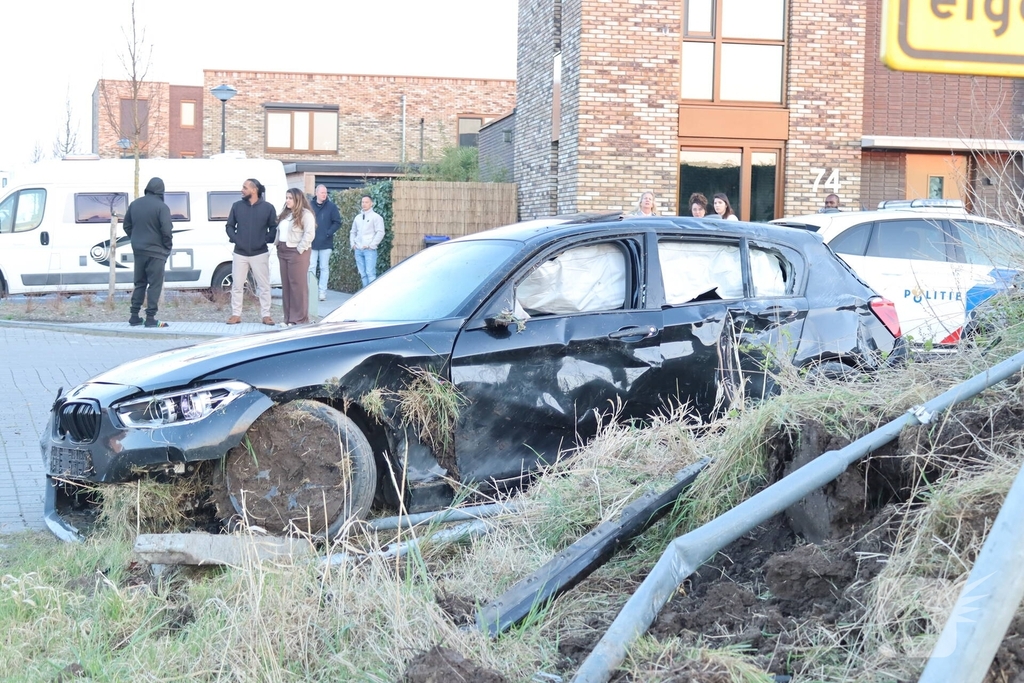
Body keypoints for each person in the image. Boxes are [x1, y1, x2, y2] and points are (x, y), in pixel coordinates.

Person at [225, 178, 278, 325]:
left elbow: (273, 228)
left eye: (245, 187)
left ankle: (266, 315)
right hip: (240, 253)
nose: (242, 190)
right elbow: (229, 226)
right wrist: (236, 239)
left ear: (254, 190)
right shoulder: (236, 206)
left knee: (264, 285)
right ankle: (236, 314)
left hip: (260, 252)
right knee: (237, 285)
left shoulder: (268, 208)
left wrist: (264, 240)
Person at [123, 177, 174, 328]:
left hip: (138, 250)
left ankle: (134, 316)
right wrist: (167, 247)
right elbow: (167, 230)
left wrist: (135, 239)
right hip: (156, 252)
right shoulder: (162, 207)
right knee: (154, 284)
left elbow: (127, 225)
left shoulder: (135, 204)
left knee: (139, 283)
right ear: (161, 191)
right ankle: (150, 318)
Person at [276, 188, 316, 326]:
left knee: (298, 285)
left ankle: (299, 319)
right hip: (282, 250)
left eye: (290, 198)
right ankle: (288, 318)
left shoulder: (306, 214)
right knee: (286, 285)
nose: (287, 200)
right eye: (286, 197)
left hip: (297, 251)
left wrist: (299, 249)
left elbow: (309, 234)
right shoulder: (286, 214)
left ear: (297, 199)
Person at [309, 184, 341, 301]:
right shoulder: (309, 206)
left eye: (325, 193)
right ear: (316, 193)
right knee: (311, 267)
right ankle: (312, 290)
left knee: (324, 267)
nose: (324, 195)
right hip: (311, 242)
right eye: (322, 192)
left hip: (326, 243)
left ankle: (322, 292)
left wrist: (329, 232)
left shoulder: (331, 207)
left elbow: (337, 222)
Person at [350, 194, 385, 288]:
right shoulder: (357, 217)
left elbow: (380, 232)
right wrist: (353, 244)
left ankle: (372, 296)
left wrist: (372, 245)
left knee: (370, 273)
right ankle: (365, 295)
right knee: (363, 274)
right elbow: (353, 231)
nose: (364, 204)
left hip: (369, 250)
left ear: (371, 203)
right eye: (363, 202)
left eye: (366, 202)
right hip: (358, 249)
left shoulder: (376, 217)